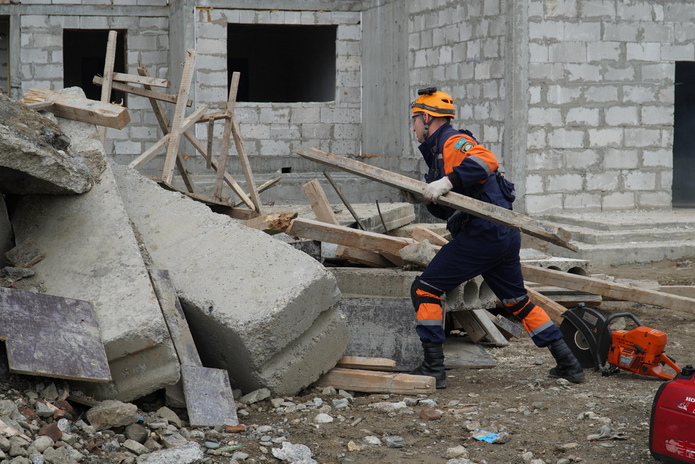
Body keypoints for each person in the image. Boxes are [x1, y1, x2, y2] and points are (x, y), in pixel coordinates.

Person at [406, 87, 584, 389]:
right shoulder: (437, 152)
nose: (413, 127)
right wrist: (431, 197)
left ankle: (433, 368)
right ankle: (569, 363)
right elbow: (454, 205)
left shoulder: (452, 141)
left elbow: (486, 160)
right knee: (518, 301)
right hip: (502, 235)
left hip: (483, 234)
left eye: (414, 120)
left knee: (425, 290)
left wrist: (446, 182)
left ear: (426, 118)